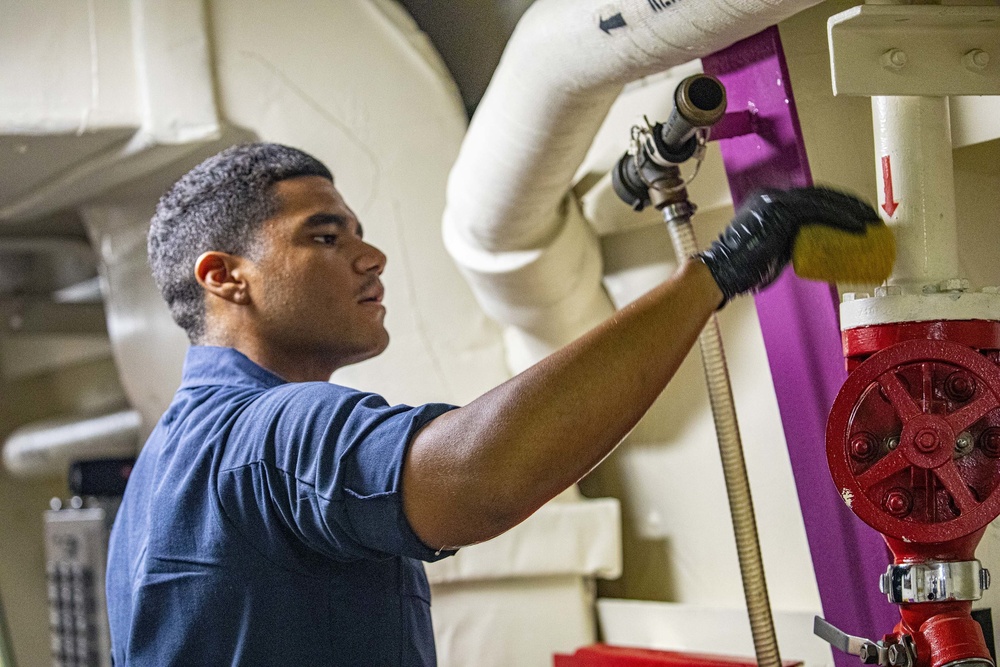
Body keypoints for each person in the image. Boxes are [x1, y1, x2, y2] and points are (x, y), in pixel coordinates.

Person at [106, 143, 881, 665]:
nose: (370, 256)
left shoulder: (163, 469)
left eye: (362, 234)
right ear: (225, 276)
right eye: (324, 236)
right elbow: (479, 478)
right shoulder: (271, 431)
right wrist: (714, 274)